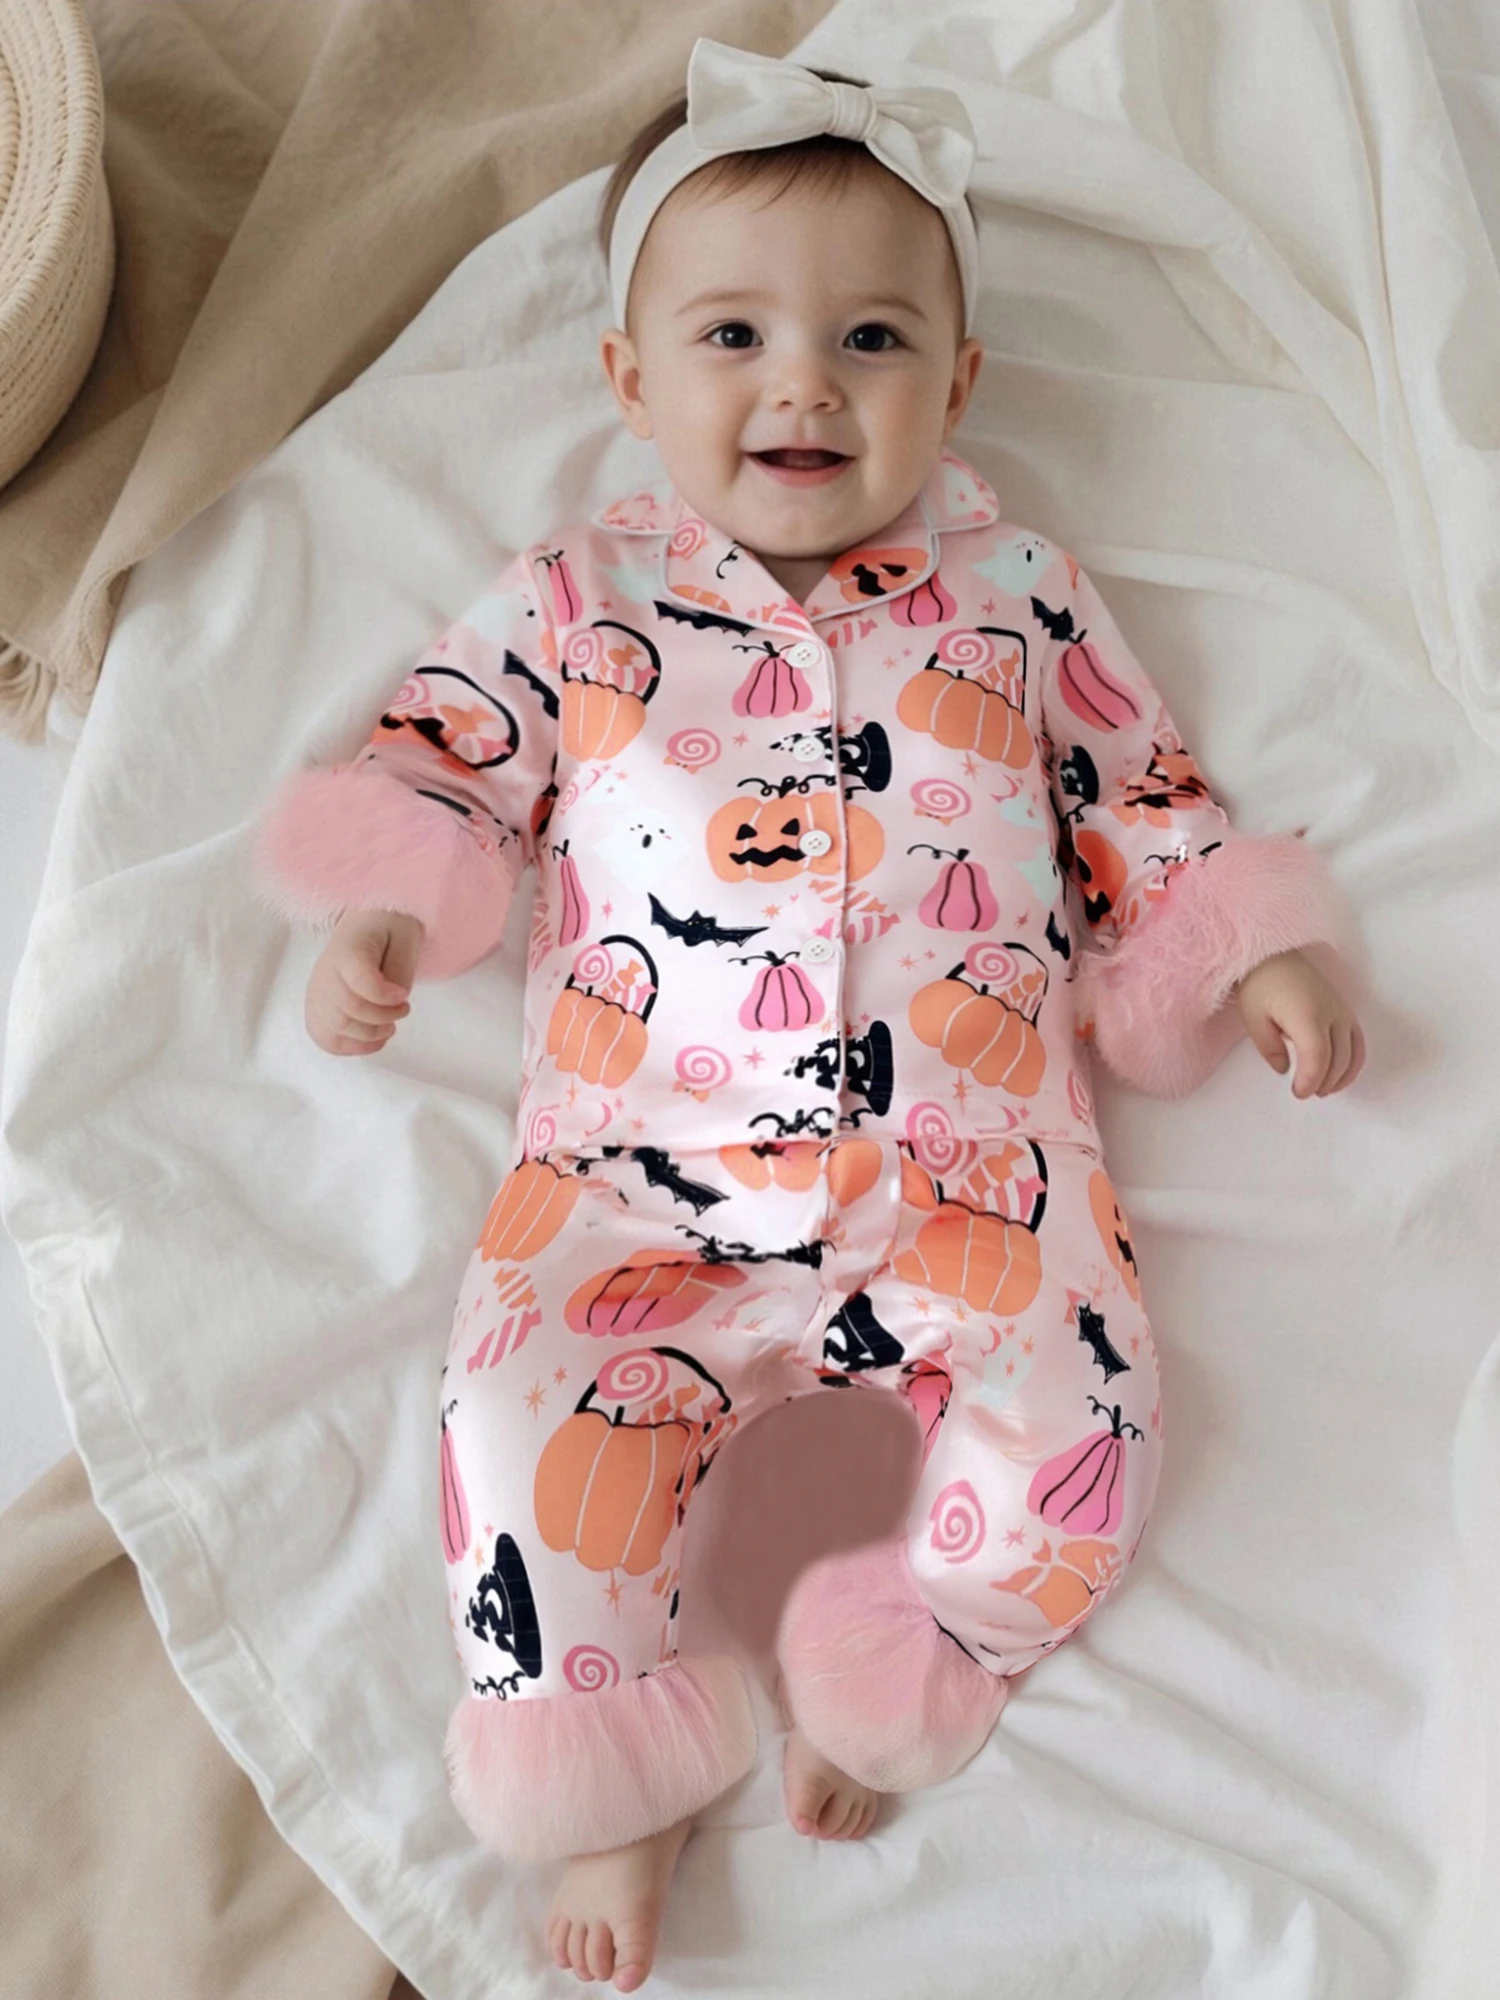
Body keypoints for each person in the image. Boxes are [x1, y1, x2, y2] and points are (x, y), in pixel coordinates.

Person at [252, 37, 1365, 1994]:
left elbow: (1138, 788)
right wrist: (389, 905)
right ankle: (607, 1761)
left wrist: (1247, 946)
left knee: (1092, 1420)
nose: (805, 384)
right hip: (631, 1185)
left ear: (959, 383)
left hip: (977, 1179)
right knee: (510, 1424)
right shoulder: (579, 597)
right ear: (630, 381)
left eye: (871, 339)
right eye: (735, 336)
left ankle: (917, 1656)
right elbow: (449, 754)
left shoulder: (1016, 590)